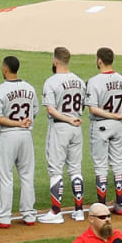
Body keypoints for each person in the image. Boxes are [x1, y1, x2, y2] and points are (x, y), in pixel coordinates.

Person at [0, 57, 39, 228]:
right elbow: (35, 112)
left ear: (5, 69)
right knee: (27, 175)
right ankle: (29, 215)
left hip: (8, 136)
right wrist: (22, 123)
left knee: (6, 177)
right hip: (26, 135)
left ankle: (3, 218)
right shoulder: (30, 89)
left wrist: (16, 123)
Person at [40, 48, 87, 224]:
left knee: (56, 170)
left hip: (60, 127)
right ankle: (79, 210)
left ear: (55, 61)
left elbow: (51, 109)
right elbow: (82, 107)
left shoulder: (51, 82)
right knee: (75, 169)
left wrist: (66, 119)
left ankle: (55, 212)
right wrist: (72, 118)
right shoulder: (80, 81)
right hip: (76, 126)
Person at [85, 48, 122, 214]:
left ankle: (102, 207)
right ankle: (120, 204)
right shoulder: (121, 79)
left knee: (100, 167)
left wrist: (111, 115)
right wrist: (116, 115)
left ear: (99, 60)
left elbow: (93, 109)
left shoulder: (94, 81)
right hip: (118, 124)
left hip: (101, 125)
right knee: (118, 164)